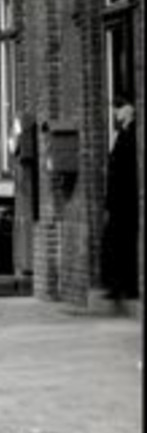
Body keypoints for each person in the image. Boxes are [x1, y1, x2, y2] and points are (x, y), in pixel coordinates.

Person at [102, 96, 138, 304]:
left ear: (128, 111)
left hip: (124, 201)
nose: (115, 115)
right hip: (118, 201)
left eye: (118, 110)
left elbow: (122, 170)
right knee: (115, 243)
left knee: (120, 243)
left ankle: (124, 286)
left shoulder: (130, 135)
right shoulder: (124, 134)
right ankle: (118, 285)